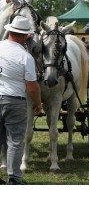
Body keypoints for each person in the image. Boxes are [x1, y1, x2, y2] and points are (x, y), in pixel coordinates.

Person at [0, 16, 42, 185]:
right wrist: (38, 103)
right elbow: (32, 87)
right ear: (25, 36)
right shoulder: (26, 57)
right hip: (14, 101)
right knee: (15, 141)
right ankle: (15, 178)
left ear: (9, 31)